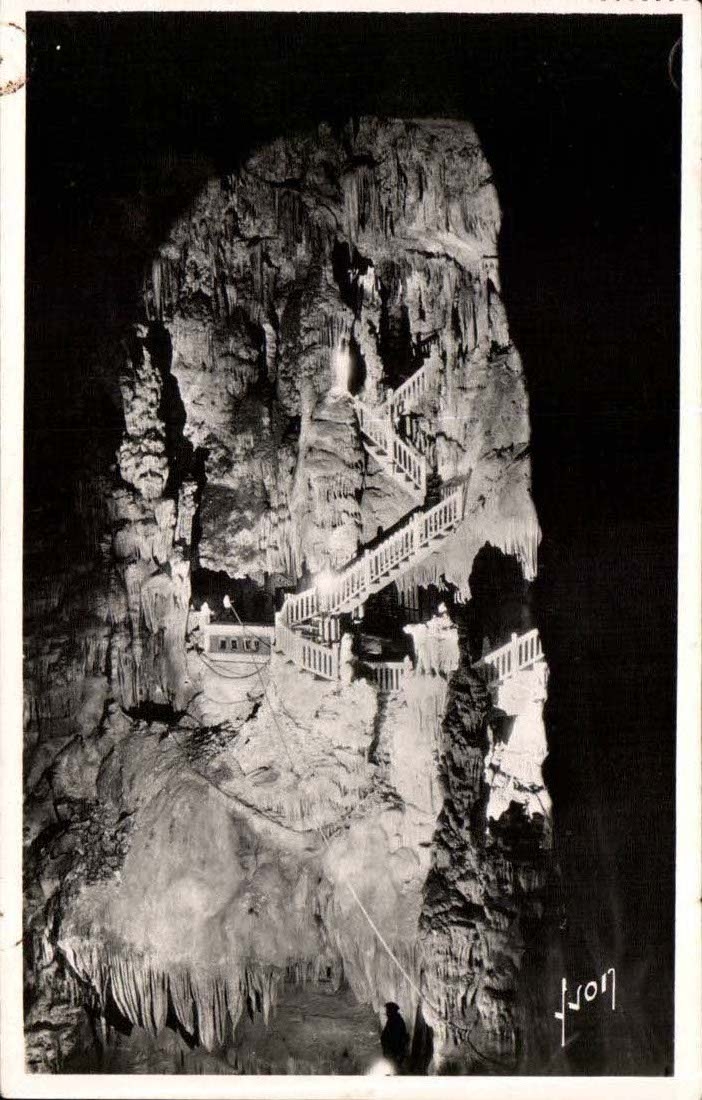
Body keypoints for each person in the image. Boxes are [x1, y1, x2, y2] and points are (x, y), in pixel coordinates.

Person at [380, 1002, 409, 1073]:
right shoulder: (392, 1020)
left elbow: (396, 1039)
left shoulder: (396, 1021)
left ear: (392, 1011)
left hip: (394, 1053)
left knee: (396, 1070)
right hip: (392, 1053)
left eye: (388, 1010)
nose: (386, 1013)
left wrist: (395, 1054)